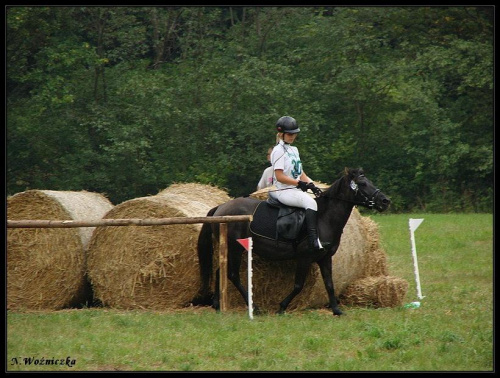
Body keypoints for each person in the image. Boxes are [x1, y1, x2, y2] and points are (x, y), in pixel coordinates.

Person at [269, 116, 324, 252]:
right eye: (289, 134)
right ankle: (313, 241)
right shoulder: (278, 151)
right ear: (281, 134)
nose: (292, 136)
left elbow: (300, 172)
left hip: (295, 189)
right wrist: (299, 183)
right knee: (311, 203)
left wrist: (312, 184)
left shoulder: (294, 150)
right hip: (283, 191)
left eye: (294, 134)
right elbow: (280, 176)